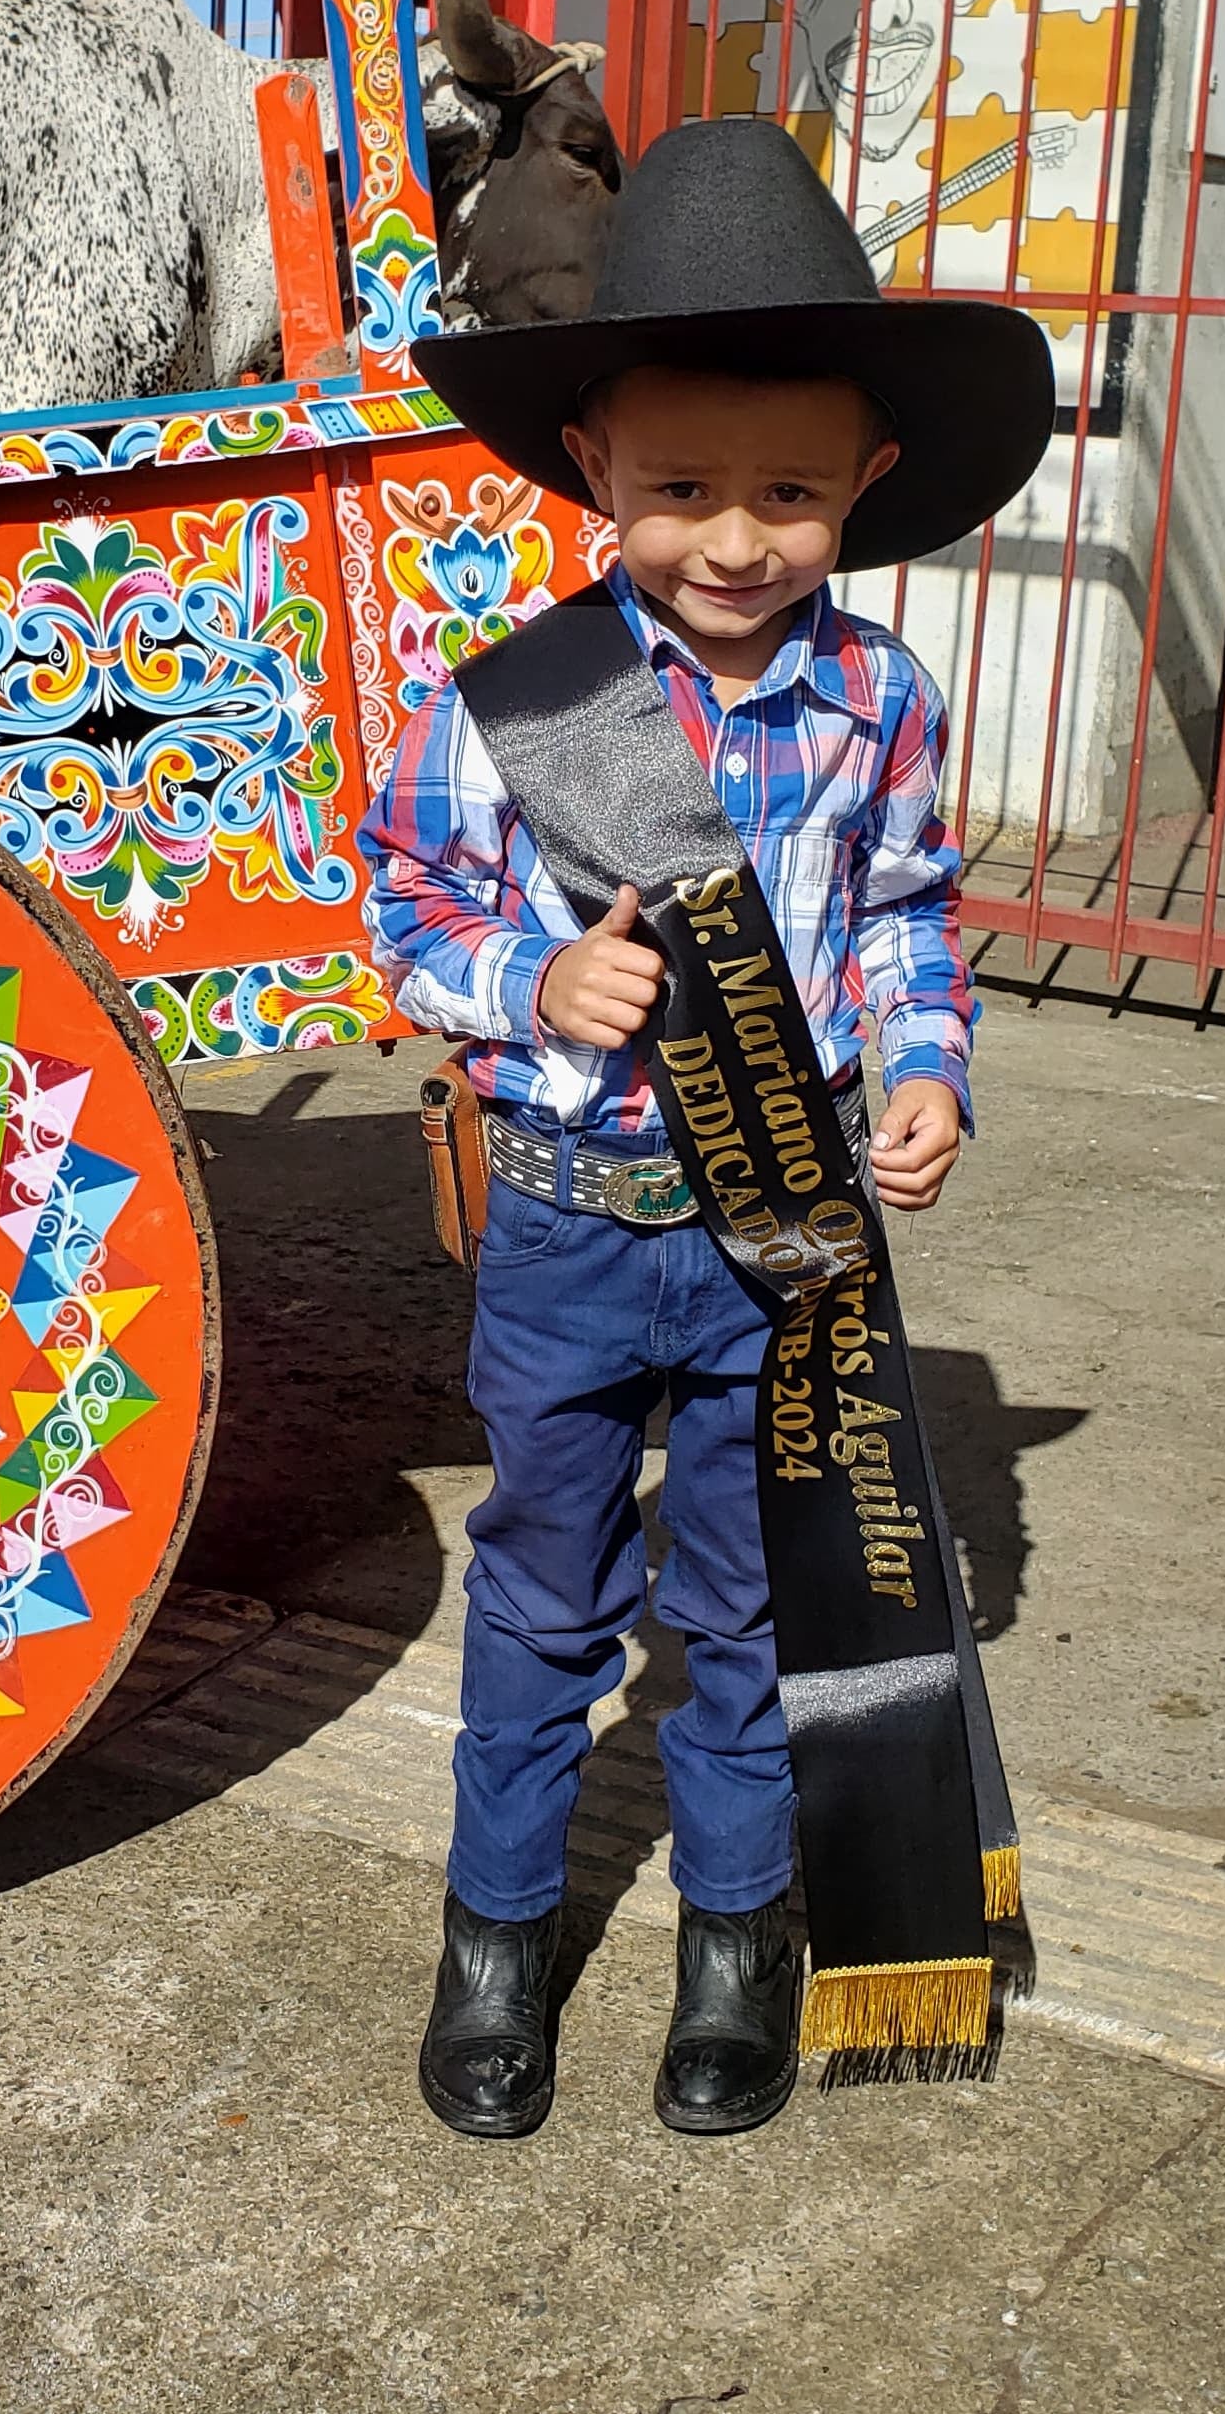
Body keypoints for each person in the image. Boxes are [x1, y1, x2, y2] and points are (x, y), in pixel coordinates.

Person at [360, 116, 1052, 2145]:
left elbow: (908, 917)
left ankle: (736, 1943)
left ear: (867, 479)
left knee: (750, 1612)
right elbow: (404, 912)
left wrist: (923, 1068)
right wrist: (529, 982)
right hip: (567, 1230)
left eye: (787, 494)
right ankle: (497, 1941)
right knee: (542, 1599)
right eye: (678, 489)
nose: (732, 541)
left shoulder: (881, 700)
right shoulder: (507, 705)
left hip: (785, 1236)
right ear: (594, 467)